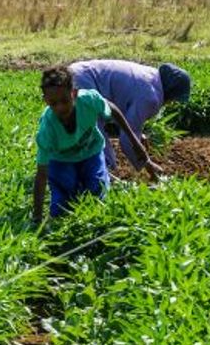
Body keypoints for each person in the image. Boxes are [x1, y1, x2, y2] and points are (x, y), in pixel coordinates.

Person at [32, 65, 163, 225]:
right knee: (62, 205)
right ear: (45, 100)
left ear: (73, 94)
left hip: (91, 152)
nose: (60, 107)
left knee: (97, 191)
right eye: (53, 103)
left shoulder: (89, 100)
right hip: (61, 160)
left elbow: (113, 110)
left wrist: (135, 142)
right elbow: (41, 174)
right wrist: (36, 218)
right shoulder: (47, 128)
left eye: (65, 101)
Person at [68, 59, 191, 173]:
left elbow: (122, 109)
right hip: (83, 81)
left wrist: (137, 135)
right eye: (173, 100)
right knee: (104, 158)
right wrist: (147, 166)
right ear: (170, 93)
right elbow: (126, 141)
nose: (170, 103)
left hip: (79, 72)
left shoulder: (151, 76)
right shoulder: (150, 97)